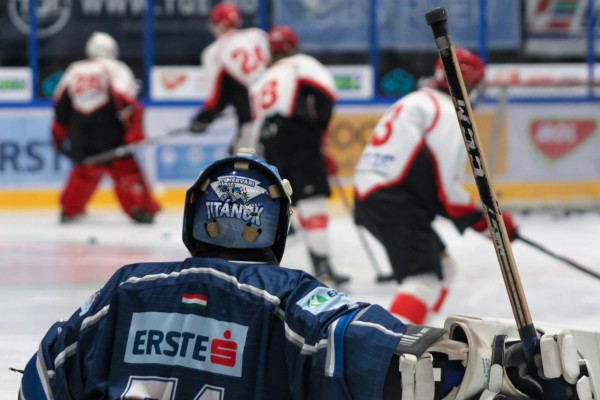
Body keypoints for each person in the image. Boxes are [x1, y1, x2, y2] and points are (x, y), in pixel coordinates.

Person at [18, 147, 596, 399]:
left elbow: (41, 379)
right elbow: (413, 366)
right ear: (279, 227)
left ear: (196, 216)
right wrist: (506, 366)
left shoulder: (127, 290)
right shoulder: (290, 300)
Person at [353, 48, 519, 325]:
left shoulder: (417, 100)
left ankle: (419, 335)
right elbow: (448, 191)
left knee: (444, 267)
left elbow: (431, 183)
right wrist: (492, 224)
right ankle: (393, 347)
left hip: (376, 197)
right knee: (422, 279)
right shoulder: (445, 113)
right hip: (394, 202)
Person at [249, 25, 349, 286]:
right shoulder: (302, 63)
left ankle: (262, 268)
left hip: (270, 145)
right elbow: (326, 94)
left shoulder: (262, 79)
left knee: (279, 205)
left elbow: (254, 123)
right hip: (298, 137)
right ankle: (322, 265)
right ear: (293, 46)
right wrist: (318, 133)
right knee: (312, 201)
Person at [51, 32, 160, 224]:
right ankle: (139, 208)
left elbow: (61, 105)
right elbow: (126, 100)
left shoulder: (74, 69)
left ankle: (69, 209)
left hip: (80, 132)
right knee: (125, 168)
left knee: (84, 170)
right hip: (109, 131)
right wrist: (135, 131)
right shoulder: (115, 68)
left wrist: (58, 136)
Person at [189, 2, 270, 153]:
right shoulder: (259, 35)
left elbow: (215, 102)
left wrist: (202, 119)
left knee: (242, 169)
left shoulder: (215, 51)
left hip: (253, 121)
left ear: (217, 24)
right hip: (281, 115)